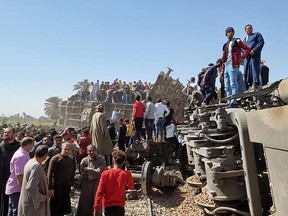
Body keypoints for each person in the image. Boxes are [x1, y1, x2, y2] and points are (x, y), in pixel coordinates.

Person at [94, 150, 134, 216]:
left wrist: (96, 207)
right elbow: (131, 187)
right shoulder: (125, 174)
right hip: (120, 206)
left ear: (113, 161)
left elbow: (99, 192)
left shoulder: (105, 174)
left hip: (108, 206)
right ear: (123, 162)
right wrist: (128, 173)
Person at [17, 145, 50, 216]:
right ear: (45, 155)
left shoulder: (30, 161)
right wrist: (41, 197)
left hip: (28, 201)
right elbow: (31, 186)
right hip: (33, 205)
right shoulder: (36, 166)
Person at [221, 27, 250, 106]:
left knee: (233, 83)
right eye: (228, 32)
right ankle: (229, 101)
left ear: (233, 33)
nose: (229, 33)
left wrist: (241, 58)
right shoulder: (225, 45)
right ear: (226, 34)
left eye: (231, 32)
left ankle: (234, 102)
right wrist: (222, 70)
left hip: (233, 65)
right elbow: (223, 58)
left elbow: (247, 49)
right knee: (227, 85)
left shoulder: (237, 41)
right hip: (226, 66)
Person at [5, 137, 33, 216]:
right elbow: (19, 175)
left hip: (15, 187)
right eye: (32, 145)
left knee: (12, 210)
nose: (32, 147)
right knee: (16, 211)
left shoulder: (23, 153)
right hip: (17, 188)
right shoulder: (21, 156)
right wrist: (22, 190)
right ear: (27, 145)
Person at [76, 145, 106, 216]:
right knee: (85, 199)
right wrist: (92, 171)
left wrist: (89, 169)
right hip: (87, 182)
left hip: (97, 181)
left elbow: (99, 171)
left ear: (95, 151)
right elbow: (82, 172)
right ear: (87, 151)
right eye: (89, 151)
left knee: (96, 199)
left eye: (93, 150)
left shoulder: (101, 159)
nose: (91, 152)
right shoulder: (84, 160)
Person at [48, 143, 76, 216]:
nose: (66, 151)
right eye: (65, 149)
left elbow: (72, 173)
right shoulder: (55, 159)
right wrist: (50, 188)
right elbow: (50, 174)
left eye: (68, 149)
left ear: (70, 150)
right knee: (56, 207)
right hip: (57, 186)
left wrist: (72, 184)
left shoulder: (71, 159)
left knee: (64, 207)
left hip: (66, 186)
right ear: (61, 149)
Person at [0, 127, 20, 216]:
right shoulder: (1, 147)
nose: (6, 134)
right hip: (3, 180)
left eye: (8, 132)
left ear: (14, 134)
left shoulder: (19, 147)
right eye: (4, 132)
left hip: (16, 180)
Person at [243, 24, 265, 90]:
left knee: (254, 69)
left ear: (252, 29)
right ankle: (249, 85)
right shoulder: (244, 40)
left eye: (250, 28)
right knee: (247, 72)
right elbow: (242, 50)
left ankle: (255, 84)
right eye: (247, 28)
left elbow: (261, 42)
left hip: (254, 56)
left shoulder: (257, 35)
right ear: (245, 30)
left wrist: (255, 50)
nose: (249, 29)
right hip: (247, 58)